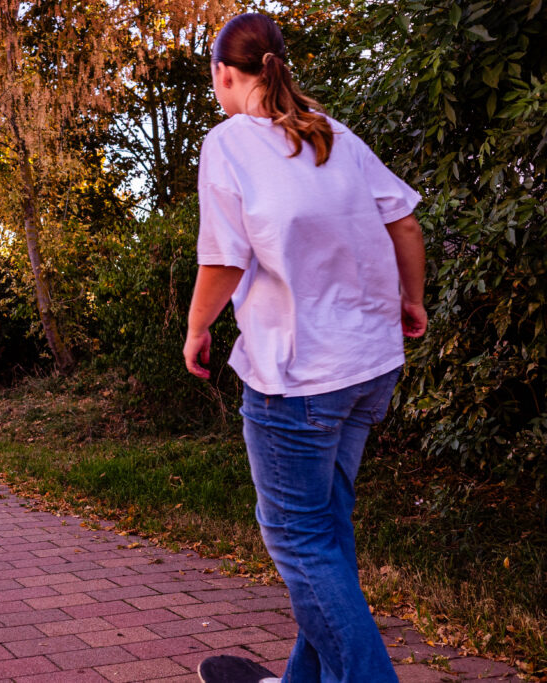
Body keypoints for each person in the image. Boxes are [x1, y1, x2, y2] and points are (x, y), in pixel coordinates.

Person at [184, 13, 426, 683]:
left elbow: (224, 261)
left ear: (225, 74)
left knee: (302, 545)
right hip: (369, 368)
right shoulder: (332, 134)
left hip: (298, 380)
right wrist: (412, 300)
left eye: (216, 80)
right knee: (326, 538)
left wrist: (197, 328)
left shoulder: (230, 143)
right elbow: (403, 220)